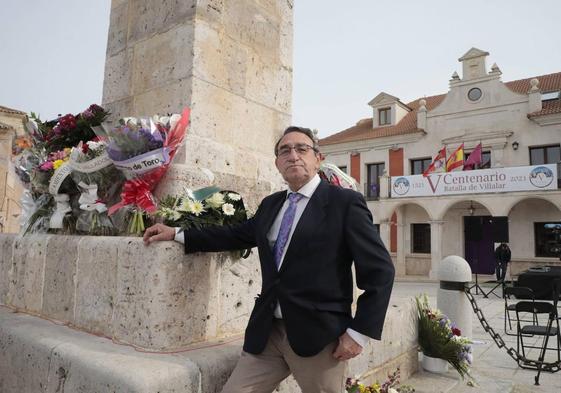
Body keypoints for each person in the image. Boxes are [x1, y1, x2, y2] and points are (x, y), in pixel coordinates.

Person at [143, 126, 395, 393]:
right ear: (277, 163)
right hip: (268, 333)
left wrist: (359, 334)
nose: (293, 155)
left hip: (319, 336)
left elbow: (380, 271)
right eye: (284, 150)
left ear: (318, 158)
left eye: (301, 148)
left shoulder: (344, 203)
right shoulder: (272, 204)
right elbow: (235, 235)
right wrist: (178, 233)